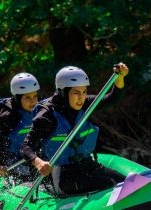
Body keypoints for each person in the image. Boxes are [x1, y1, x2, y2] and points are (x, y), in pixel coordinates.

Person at [21, 63, 129, 195]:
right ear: (63, 92)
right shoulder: (47, 116)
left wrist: (120, 77)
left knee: (126, 183)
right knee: (109, 184)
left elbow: (112, 98)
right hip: (64, 176)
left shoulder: (85, 104)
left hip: (88, 166)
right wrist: (38, 162)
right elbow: (26, 147)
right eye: (76, 93)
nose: (81, 97)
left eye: (84, 92)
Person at [0, 72, 40, 180]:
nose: (33, 101)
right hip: (13, 165)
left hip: (34, 159)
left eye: (35, 96)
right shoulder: (7, 117)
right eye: (27, 98)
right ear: (18, 98)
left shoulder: (40, 111)